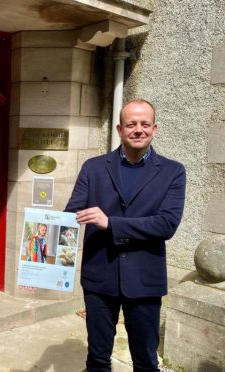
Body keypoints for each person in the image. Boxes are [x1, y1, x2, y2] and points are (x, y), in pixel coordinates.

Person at [65, 99, 186, 371]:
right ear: (120, 129)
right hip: (99, 276)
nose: (138, 130)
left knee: (145, 361)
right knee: (97, 359)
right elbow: (72, 213)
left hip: (144, 280)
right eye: (131, 124)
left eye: (145, 124)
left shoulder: (173, 172)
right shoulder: (93, 167)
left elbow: (166, 224)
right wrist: (41, 256)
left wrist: (111, 224)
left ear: (155, 129)